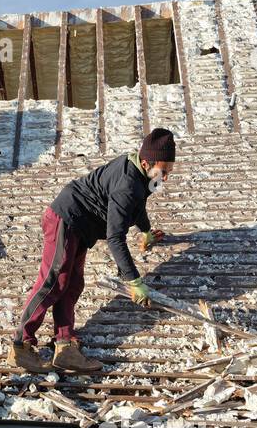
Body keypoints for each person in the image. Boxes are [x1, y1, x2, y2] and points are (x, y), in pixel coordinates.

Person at [10, 128, 176, 374]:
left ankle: (65, 346)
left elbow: (138, 205)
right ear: (146, 162)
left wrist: (146, 231)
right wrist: (133, 280)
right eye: (164, 171)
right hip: (65, 221)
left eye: (169, 171)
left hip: (80, 229)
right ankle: (20, 344)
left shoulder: (141, 174)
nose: (166, 177)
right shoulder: (127, 185)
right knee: (53, 282)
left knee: (73, 284)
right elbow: (115, 237)